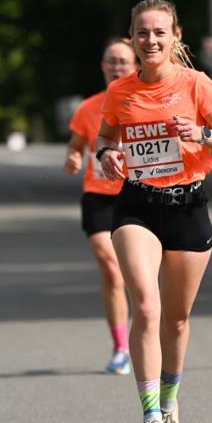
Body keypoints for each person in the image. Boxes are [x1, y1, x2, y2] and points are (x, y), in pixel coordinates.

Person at [95, 0, 212, 423]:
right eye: (142, 33)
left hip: (187, 208)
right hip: (137, 206)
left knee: (176, 320)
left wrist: (200, 134)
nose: (151, 40)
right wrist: (107, 154)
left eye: (159, 32)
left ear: (176, 36)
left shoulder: (196, 85)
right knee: (146, 304)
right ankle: (151, 418)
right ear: (132, 37)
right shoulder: (120, 91)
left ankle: (172, 404)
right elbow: (105, 136)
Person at [64, 38, 137, 374]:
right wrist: (74, 155)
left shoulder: (144, 102)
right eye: (111, 61)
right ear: (102, 66)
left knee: (142, 275)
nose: (117, 67)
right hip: (99, 194)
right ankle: (121, 347)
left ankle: (146, 334)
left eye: (123, 61)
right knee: (110, 266)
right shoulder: (89, 107)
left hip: (139, 191)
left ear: (135, 64)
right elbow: (78, 142)